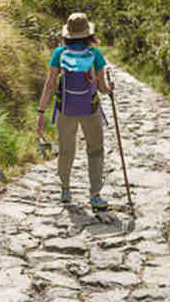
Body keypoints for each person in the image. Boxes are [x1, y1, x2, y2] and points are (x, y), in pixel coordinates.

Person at [35, 12, 114, 211]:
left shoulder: (59, 53)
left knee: (66, 150)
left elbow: (50, 85)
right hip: (91, 109)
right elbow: (103, 88)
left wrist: (40, 112)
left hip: (65, 109)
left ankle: (65, 190)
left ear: (68, 34)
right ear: (89, 34)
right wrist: (110, 88)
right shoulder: (95, 54)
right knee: (95, 151)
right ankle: (95, 196)